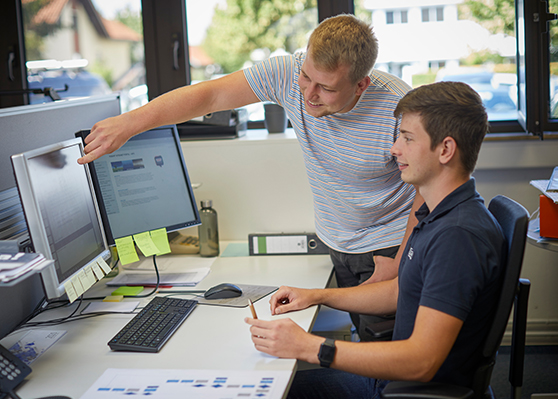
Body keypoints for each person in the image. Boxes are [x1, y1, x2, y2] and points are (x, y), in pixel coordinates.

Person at [77, 14, 422, 339]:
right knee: (359, 341)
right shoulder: (287, 74)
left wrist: (398, 257)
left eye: (326, 88)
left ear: (361, 84)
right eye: (306, 77)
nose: (308, 94)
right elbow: (210, 95)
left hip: (388, 245)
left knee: (385, 359)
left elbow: (426, 187)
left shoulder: (398, 106)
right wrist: (129, 123)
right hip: (337, 242)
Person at [245, 81, 507, 398]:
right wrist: (316, 296)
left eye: (407, 138)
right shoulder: (439, 214)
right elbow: (400, 291)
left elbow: (421, 362)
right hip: (394, 383)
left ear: (445, 149)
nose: (395, 148)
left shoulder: (458, 237)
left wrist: (309, 346)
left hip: (408, 390)